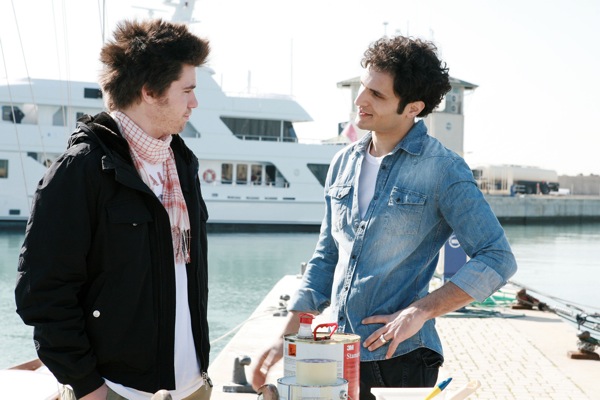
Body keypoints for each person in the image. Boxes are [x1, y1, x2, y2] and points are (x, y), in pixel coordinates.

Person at [251, 35, 517, 399]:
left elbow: (497, 257)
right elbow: (327, 257)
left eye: (376, 94)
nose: (360, 100)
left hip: (399, 360)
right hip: (336, 354)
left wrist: (420, 311)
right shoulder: (342, 163)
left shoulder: (444, 169)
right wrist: (286, 338)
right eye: (363, 87)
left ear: (412, 108)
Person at [15, 19, 211, 400]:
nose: (194, 103)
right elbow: (42, 293)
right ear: (149, 91)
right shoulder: (81, 170)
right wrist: (88, 386)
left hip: (194, 387)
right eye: (187, 90)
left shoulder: (181, 163)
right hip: (118, 392)